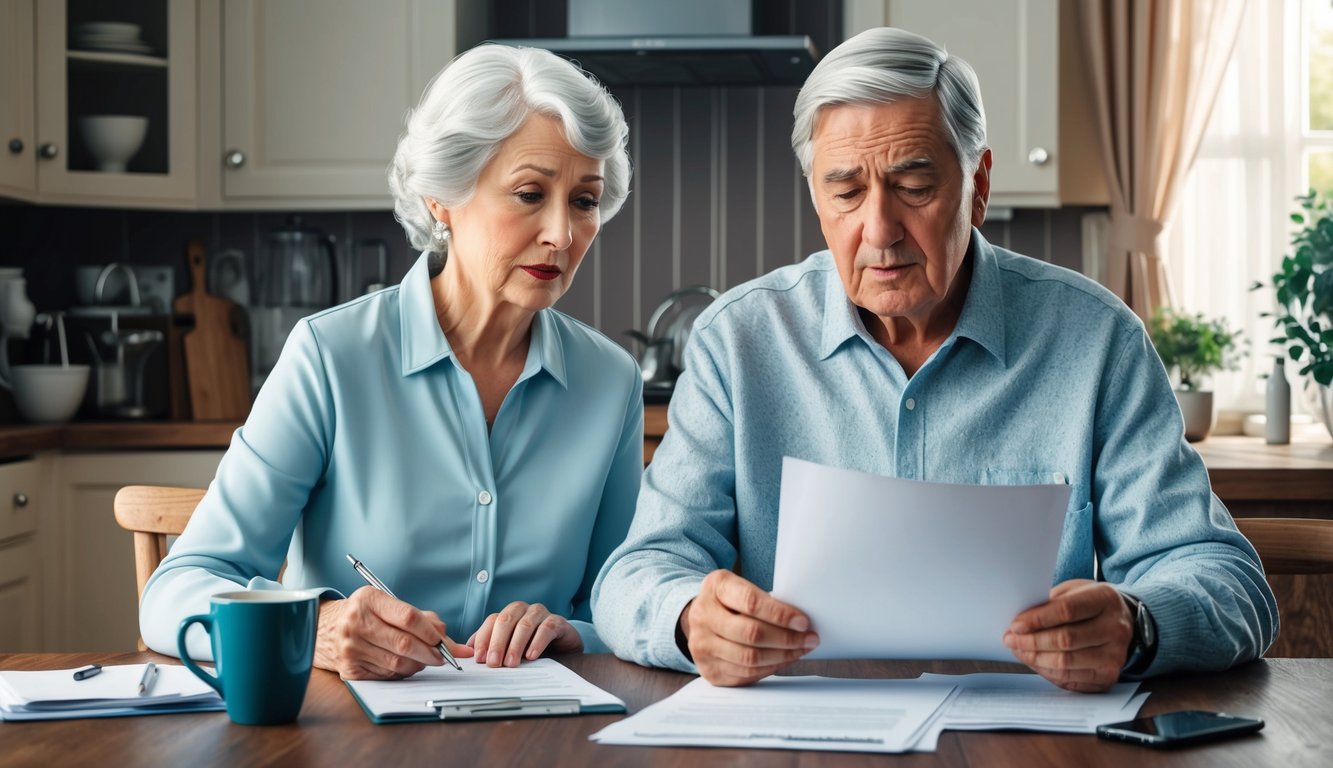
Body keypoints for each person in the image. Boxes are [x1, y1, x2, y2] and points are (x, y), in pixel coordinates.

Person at [591, 27, 1277, 692]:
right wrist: (688, 620)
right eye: (846, 191)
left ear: (977, 185)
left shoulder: (1096, 341)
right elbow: (637, 573)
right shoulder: (736, 342)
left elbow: (1226, 581)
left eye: (913, 185)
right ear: (815, 196)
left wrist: (1139, 625)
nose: (879, 230)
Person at [141, 43, 642, 680]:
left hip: (543, 731)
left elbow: (629, 598)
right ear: (443, 197)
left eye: (584, 200)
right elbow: (176, 590)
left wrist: (574, 630)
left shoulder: (611, 382)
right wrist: (315, 627)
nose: (562, 234)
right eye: (528, 193)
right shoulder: (330, 357)